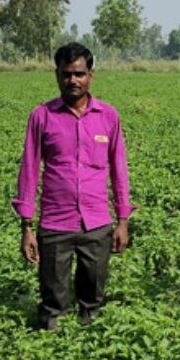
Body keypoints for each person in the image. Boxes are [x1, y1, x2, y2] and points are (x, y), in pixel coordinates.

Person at [13, 42, 133, 329]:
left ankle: (89, 347)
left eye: (79, 74)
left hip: (97, 223)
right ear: (57, 75)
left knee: (93, 299)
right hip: (55, 223)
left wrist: (123, 220)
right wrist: (27, 226)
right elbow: (29, 170)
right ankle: (50, 352)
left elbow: (119, 170)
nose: (73, 81)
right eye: (67, 74)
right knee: (53, 301)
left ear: (91, 74)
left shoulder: (108, 116)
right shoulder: (42, 116)